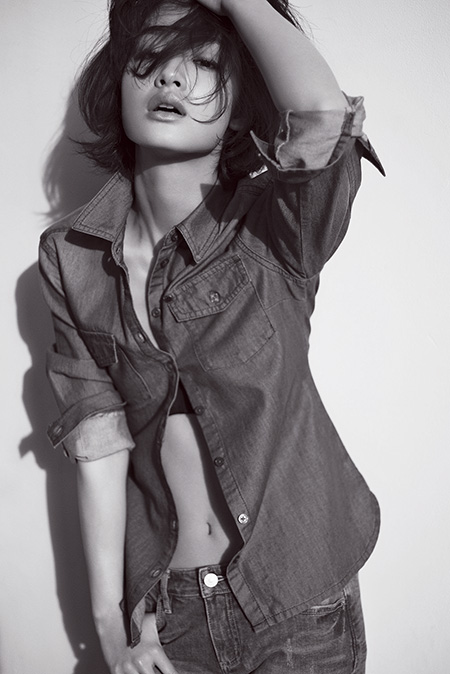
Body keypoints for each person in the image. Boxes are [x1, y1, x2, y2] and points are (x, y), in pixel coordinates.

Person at [39, 0, 384, 672]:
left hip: (298, 607)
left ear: (241, 101)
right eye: (149, 59)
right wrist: (111, 624)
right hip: (171, 618)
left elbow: (322, 117)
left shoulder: (273, 230)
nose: (171, 78)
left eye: (201, 63)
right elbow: (99, 443)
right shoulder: (71, 256)